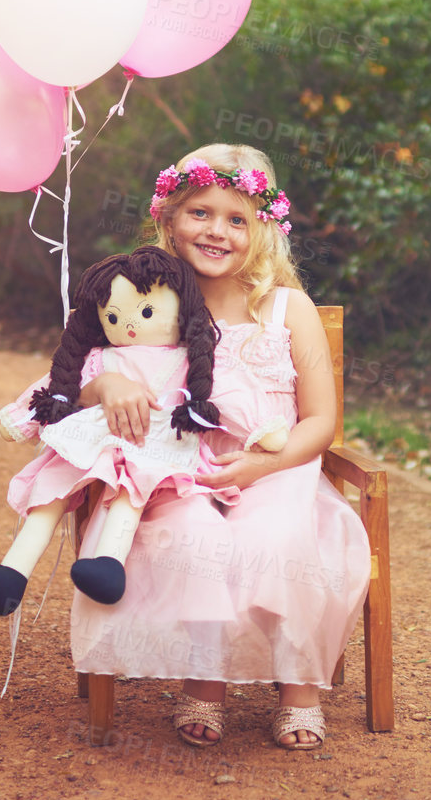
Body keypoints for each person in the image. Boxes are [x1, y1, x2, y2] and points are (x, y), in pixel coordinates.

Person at [68, 143, 370, 750]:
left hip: (275, 469)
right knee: (195, 540)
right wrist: (110, 381)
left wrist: (263, 465)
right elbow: (75, 378)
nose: (217, 231)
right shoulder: (150, 300)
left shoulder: (289, 308)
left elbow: (320, 421)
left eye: (237, 219)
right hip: (180, 470)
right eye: (200, 213)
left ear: (264, 228)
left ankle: (298, 688)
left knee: (274, 540)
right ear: (168, 219)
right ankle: (206, 680)